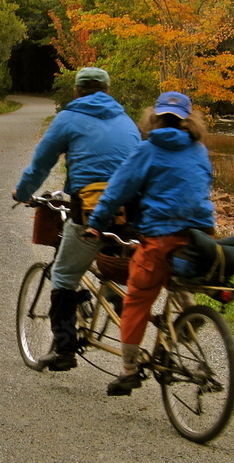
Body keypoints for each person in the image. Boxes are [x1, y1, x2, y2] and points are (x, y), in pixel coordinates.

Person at [85, 91, 214, 395]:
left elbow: (117, 190)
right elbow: (203, 184)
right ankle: (186, 315)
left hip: (162, 238)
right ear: (189, 119)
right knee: (174, 275)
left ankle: (129, 370)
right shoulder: (200, 150)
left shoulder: (149, 150)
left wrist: (96, 225)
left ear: (154, 117)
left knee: (137, 298)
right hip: (202, 237)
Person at [13, 67, 141, 371]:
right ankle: (126, 314)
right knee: (112, 264)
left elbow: (41, 164)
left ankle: (64, 349)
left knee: (64, 276)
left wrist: (22, 193)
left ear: (76, 91)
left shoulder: (68, 119)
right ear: (107, 91)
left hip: (92, 209)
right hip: (131, 210)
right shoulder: (126, 121)